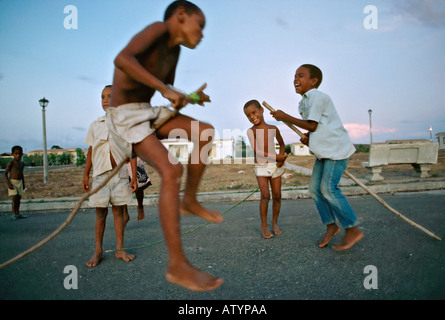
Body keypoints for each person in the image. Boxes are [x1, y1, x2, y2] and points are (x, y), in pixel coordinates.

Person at [106, 1, 223, 291]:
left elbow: (166, 92)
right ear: (181, 16)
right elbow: (122, 59)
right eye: (201, 25)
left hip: (146, 110)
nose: (203, 34)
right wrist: (164, 89)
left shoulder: (176, 51)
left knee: (204, 132)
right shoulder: (158, 29)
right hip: (125, 115)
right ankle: (177, 265)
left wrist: (190, 98)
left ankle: (190, 201)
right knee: (171, 170)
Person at [271, 64, 363, 251]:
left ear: (314, 81)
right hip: (325, 152)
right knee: (314, 189)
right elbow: (317, 127)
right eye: (294, 76)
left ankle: (352, 228)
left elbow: (312, 125)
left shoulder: (318, 96)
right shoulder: (304, 101)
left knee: (327, 189)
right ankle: (331, 226)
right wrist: (309, 138)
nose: (296, 79)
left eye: (301, 76)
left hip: (336, 150)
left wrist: (284, 117)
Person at [83, 85, 137, 267]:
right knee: (100, 213)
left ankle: (120, 248)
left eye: (110, 96)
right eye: (102, 97)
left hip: (120, 176)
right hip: (100, 176)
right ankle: (98, 251)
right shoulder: (95, 125)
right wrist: (86, 175)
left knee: (119, 212)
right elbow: (91, 151)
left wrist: (134, 177)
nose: (105, 100)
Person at [244, 100, 287, 239]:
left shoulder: (273, 128)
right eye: (248, 115)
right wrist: (277, 157)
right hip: (261, 167)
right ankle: (264, 225)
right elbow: (258, 151)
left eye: (254, 112)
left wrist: (281, 158)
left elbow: (282, 144)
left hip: (275, 166)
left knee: (277, 195)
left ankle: (274, 222)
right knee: (265, 196)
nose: (252, 117)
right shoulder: (251, 131)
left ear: (261, 110)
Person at [124, 156, 152, 226]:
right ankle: (124, 213)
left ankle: (140, 206)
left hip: (134, 155)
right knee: (121, 186)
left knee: (139, 185)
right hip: (120, 157)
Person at [3, 145, 27, 220]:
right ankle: (13, 213)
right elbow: (5, 174)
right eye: (16, 154)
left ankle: (17, 212)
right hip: (13, 182)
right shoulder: (11, 163)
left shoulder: (22, 164)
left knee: (19, 198)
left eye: (20, 154)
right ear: (12, 154)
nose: (18, 155)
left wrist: (23, 184)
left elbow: (22, 174)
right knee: (14, 198)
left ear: (22, 154)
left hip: (20, 182)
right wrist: (8, 183)